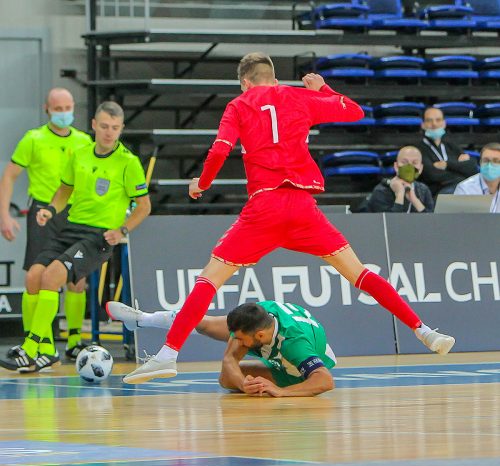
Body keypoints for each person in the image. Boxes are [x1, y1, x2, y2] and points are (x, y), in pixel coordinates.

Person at [123, 52, 455, 385]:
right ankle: (424, 331)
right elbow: (354, 112)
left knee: (208, 281)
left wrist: (202, 184)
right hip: (302, 206)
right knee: (360, 274)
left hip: (265, 207)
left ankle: (167, 354)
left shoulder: (239, 104)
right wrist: (323, 88)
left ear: (244, 82)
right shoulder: (299, 96)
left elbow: (220, 149)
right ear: (275, 79)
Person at [0, 101, 151, 372]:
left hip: (99, 236)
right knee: (33, 275)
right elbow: (65, 191)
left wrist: (122, 230)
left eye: (115, 128)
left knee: (52, 277)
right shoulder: (80, 153)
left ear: (121, 129)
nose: (109, 132)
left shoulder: (128, 163)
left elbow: (144, 206)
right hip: (72, 227)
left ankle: (30, 347)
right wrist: (49, 210)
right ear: (94, 125)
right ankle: (46, 351)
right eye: (104, 126)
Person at [0, 88, 93, 360]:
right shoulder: (34, 139)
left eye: (68, 108)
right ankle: (37, 341)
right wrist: (4, 214)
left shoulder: (84, 141)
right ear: (47, 109)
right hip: (43, 211)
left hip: (75, 213)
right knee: (36, 276)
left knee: (77, 278)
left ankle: (75, 340)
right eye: (58, 108)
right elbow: (10, 176)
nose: (64, 113)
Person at [107, 300, 335, 397]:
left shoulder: (295, 346)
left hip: (292, 369)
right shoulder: (258, 314)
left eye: (242, 339)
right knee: (205, 324)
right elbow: (229, 361)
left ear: (260, 335)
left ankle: (143, 319)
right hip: (276, 339)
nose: (237, 343)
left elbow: (325, 381)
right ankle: (141, 319)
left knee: (226, 381)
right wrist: (244, 385)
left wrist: (282, 392)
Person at [416, 107, 477, 197]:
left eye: (438, 120)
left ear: (444, 123)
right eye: (429, 120)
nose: (434, 124)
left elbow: (472, 167)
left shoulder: (451, 146)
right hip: (434, 194)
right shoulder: (418, 148)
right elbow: (432, 175)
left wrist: (447, 165)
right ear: (423, 125)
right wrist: (459, 170)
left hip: (457, 188)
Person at [365, 146, 434, 213]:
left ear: (421, 168)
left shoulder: (424, 190)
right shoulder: (381, 191)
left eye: (414, 163)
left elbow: (432, 221)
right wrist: (399, 195)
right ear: (396, 166)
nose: (409, 166)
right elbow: (389, 223)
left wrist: (414, 200)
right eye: (404, 162)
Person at [454, 143, 500, 213]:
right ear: (480, 163)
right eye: (486, 160)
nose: (490, 165)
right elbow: (456, 220)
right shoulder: (464, 189)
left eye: (496, 161)